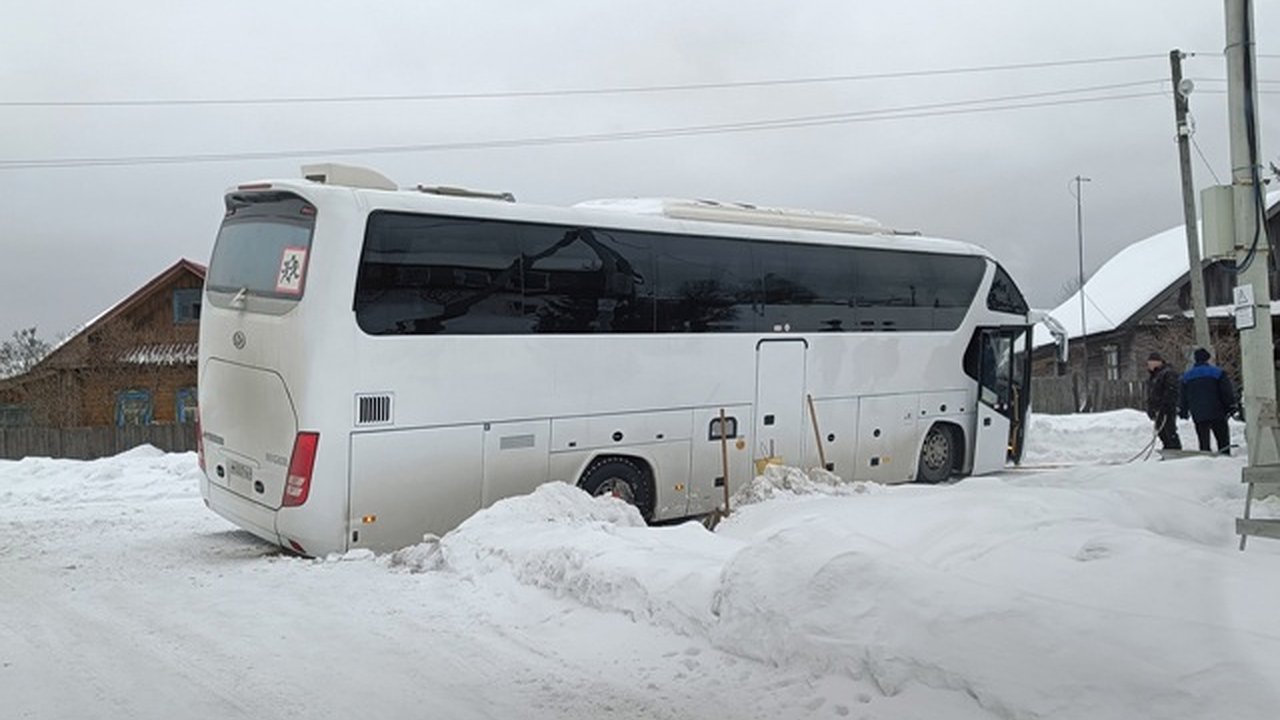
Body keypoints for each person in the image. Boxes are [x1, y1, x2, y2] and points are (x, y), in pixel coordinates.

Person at [1180, 347, 1236, 455]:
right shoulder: (1218, 373)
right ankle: (1225, 456)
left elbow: (1183, 396)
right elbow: (1226, 392)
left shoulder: (1186, 376)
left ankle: (1205, 457)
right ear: (1208, 359)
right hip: (1217, 411)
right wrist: (1230, 406)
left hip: (1198, 413)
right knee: (1222, 438)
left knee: (1203, 440)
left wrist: (1184, 411)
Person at [1145, 352, 1182, 450]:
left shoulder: (1167, 373)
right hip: (1157, 409)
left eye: (1150, 363)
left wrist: (1165, 405)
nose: (1149, 366)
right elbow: (1151, 394)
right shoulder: (1153, 376)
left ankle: (1175, 449)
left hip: (1166, 409)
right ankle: (1167, 448)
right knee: (1161, 431)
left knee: (1169, 430)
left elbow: (1171, 391)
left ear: (1157, 362)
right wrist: (1151, 408)